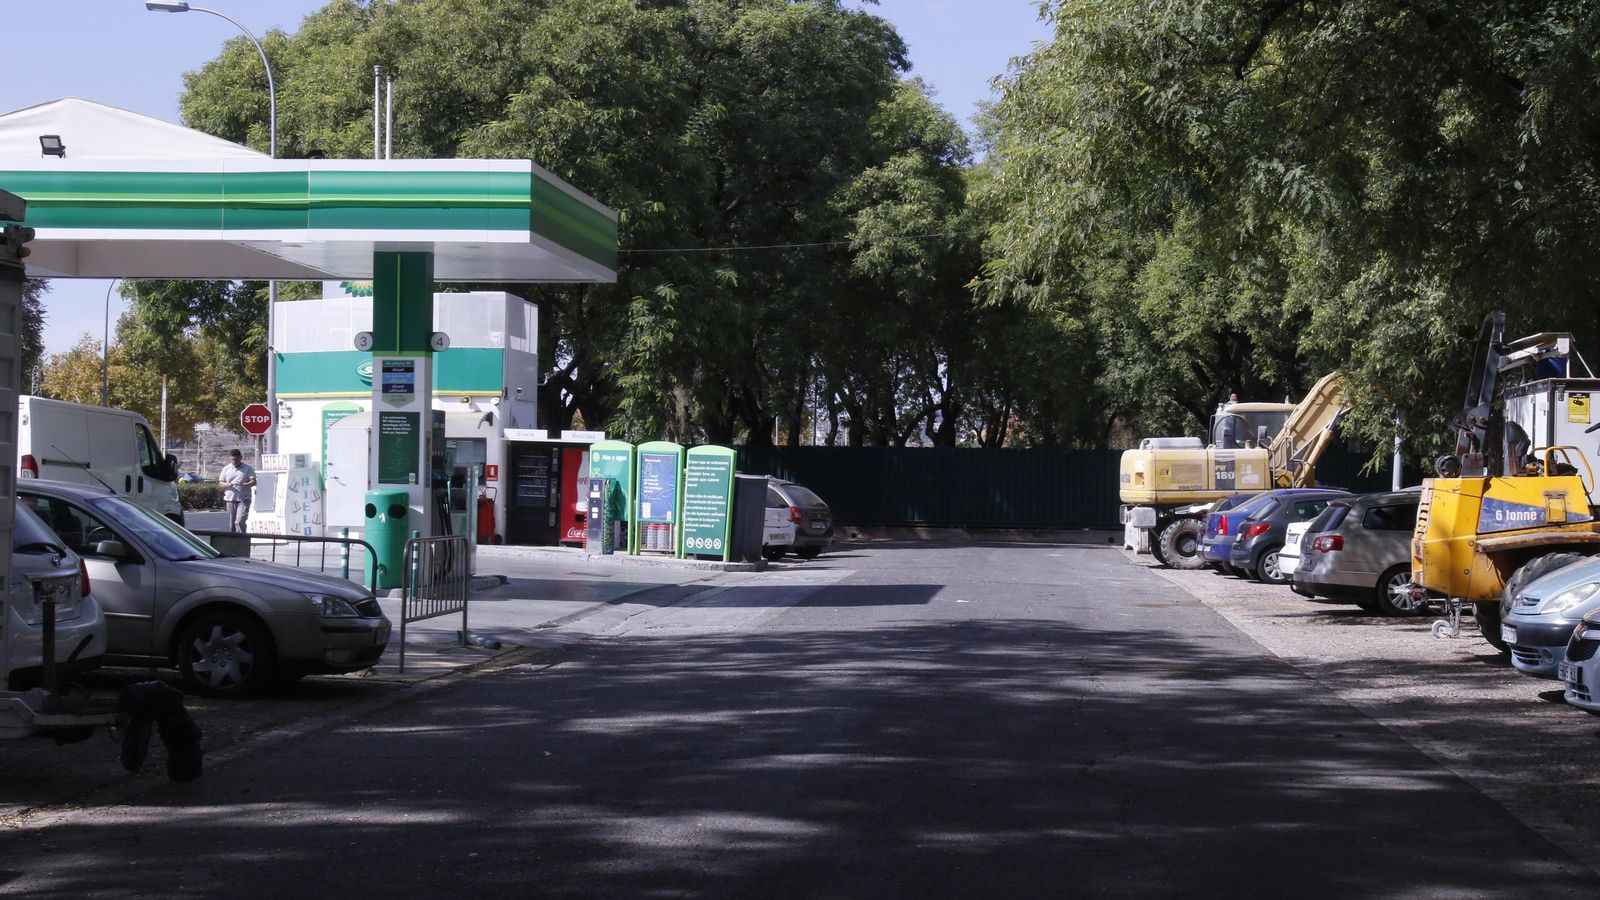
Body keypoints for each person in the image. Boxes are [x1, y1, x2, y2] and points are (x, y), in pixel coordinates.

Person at [220, 449, 256, 534]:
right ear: (230, 459)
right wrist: (230, 484)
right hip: (230, 499)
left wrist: (244, 484)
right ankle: (234, 542)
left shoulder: (248, 468)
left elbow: (254, 482)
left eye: (237, 459)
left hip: (244, 499)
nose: (235, 461)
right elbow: (220, 484)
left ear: (240, 458)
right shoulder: (226, 469)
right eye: (233, 460)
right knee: (232, 524)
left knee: (239, 521)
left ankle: (242, 540)